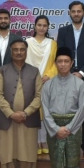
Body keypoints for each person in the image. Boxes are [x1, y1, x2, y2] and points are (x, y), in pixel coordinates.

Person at [0, 39, 43, 168]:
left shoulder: (35, 71)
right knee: (8, 159)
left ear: (26, 51)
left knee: (28, 159)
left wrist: (26, 112)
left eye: (22, 49)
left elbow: (39, 96)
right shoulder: (2, 70)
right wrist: (10, 113)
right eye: (16, 50)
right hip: (7, 122)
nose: (19, 52)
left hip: (28, 122)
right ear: (11, 51)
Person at [42, 47, 84, 168]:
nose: (62, 64)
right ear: (55, 63)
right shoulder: (48, 85)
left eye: (66, 61)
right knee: (55, 163)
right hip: (53, 129)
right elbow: (45, 110)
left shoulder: (79, 83)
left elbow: (82, 109)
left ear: (72, 63)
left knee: (73, 163)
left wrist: (68, 128)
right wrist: (55, 129)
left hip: (73, 129)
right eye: (59, 61)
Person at [56, 1, 84, 150]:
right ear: (69, 13)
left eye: (79, 11)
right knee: (68, 111)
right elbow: (61, 54)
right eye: (73, 11)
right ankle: (68, 144)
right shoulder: (63, 31)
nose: (76, 14)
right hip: (65, 78)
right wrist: (67, 72)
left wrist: (80, 73)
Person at [25, 15, 57, 154]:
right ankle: (35, 141)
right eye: (39, 25)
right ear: (35, 26)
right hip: (30, 82)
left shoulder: (52, 43)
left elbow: (56, 63)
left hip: (47, 82)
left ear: (48, 27)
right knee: (33, 112)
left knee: (46, 112)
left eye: (44, 25)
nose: (42, 28)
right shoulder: (27, 42)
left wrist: (48, 75)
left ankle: (44, 140)